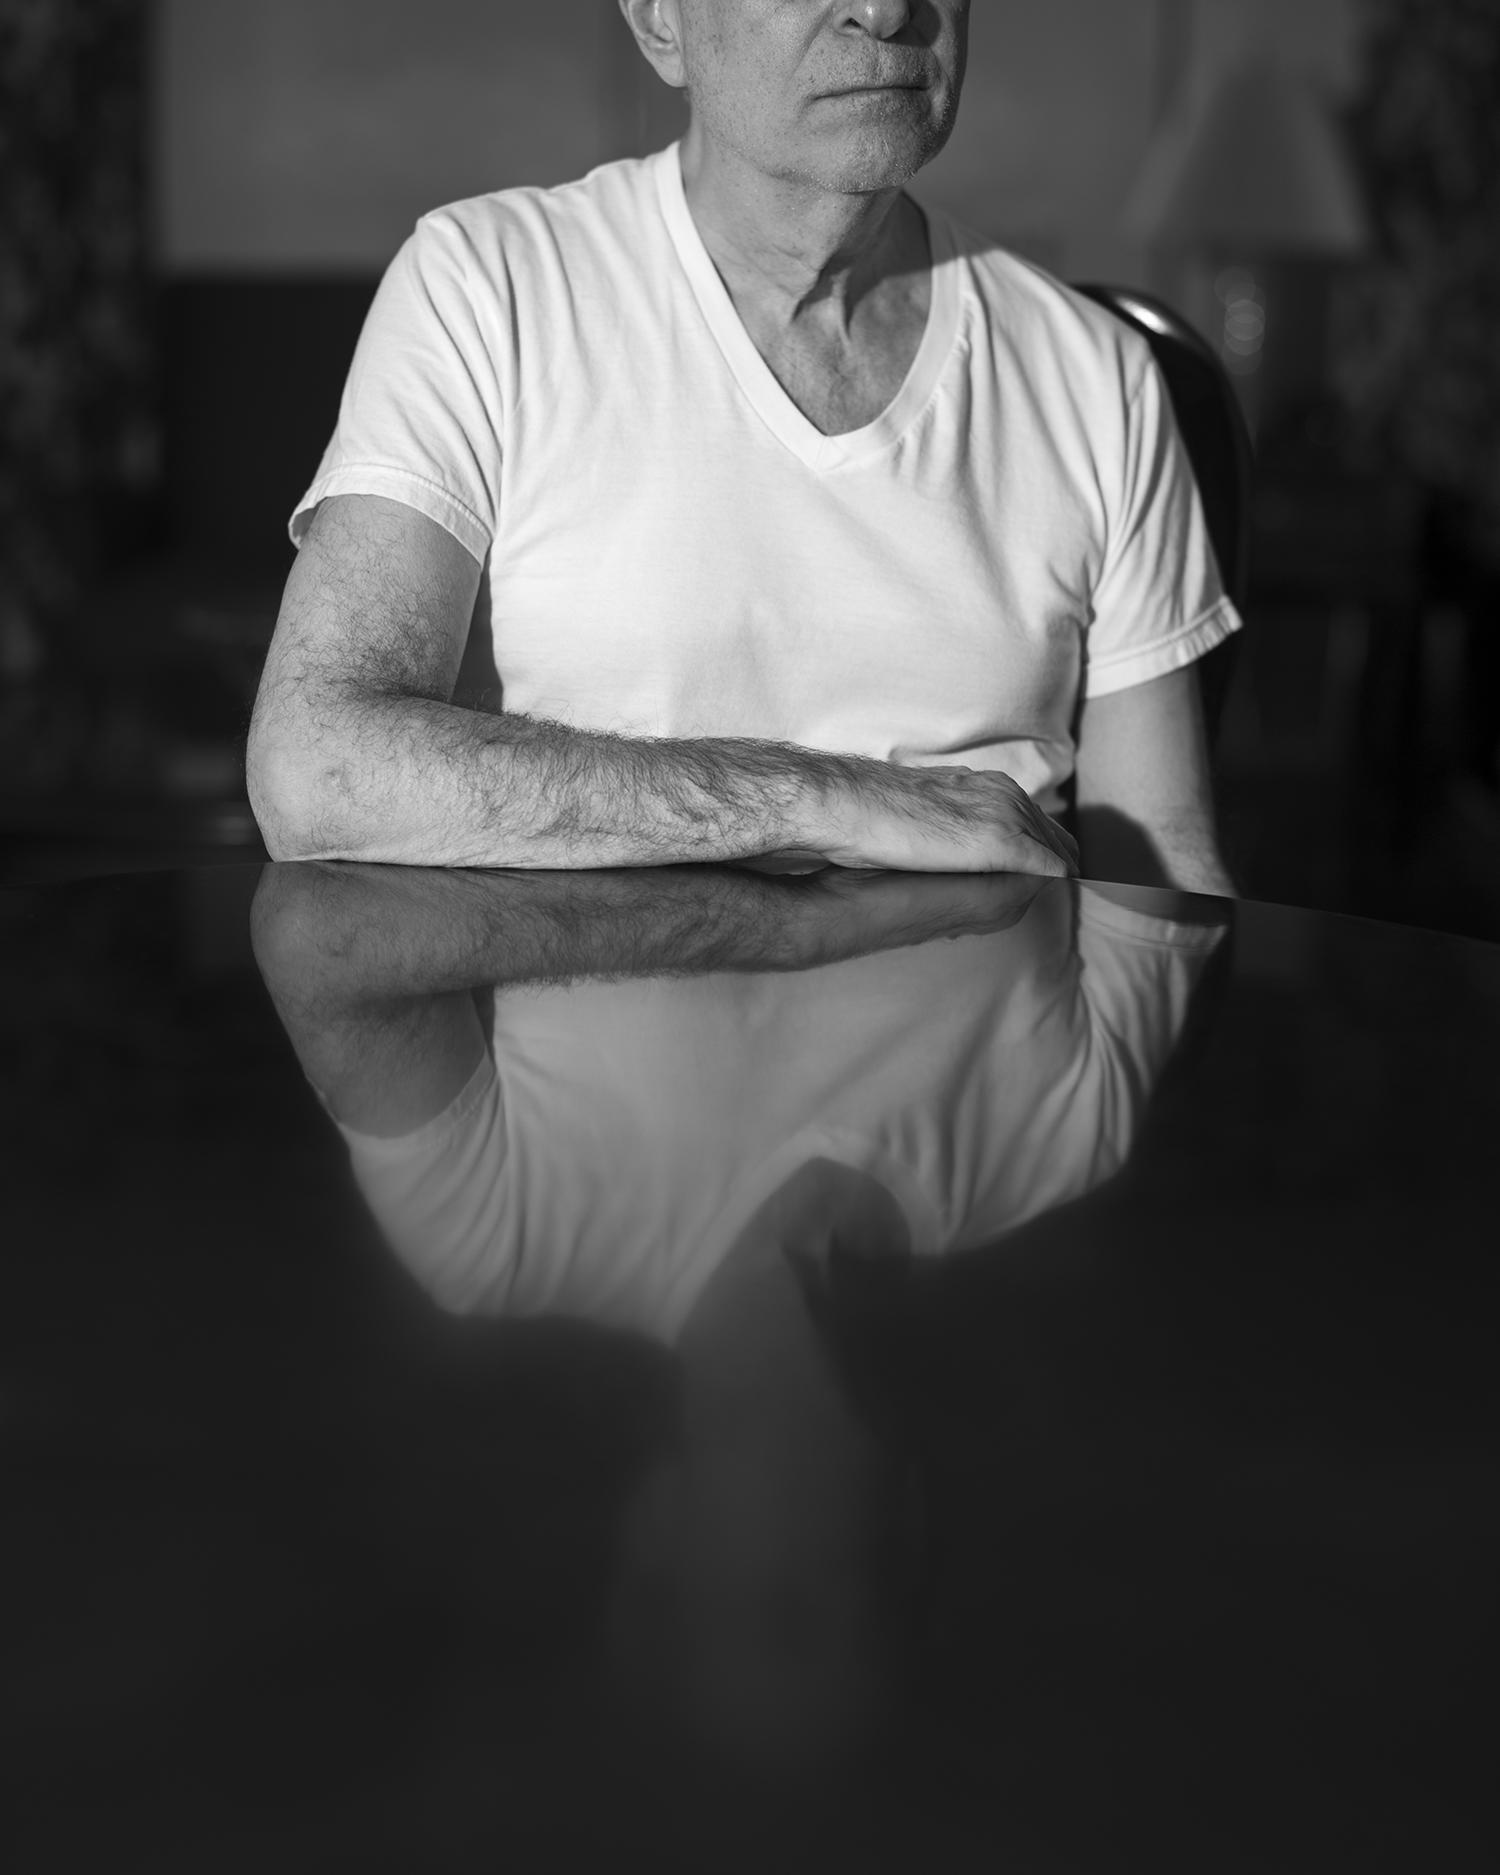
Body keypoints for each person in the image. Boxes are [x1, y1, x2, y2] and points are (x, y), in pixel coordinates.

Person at [246, 1, 1240, 890]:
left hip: (1001, 1076)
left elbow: (1164, 859)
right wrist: (827, 801)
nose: (888, 11)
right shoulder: (484, 289)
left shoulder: (1099, 375)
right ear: (658, 23)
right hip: (595, 1080)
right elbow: (316, 764)